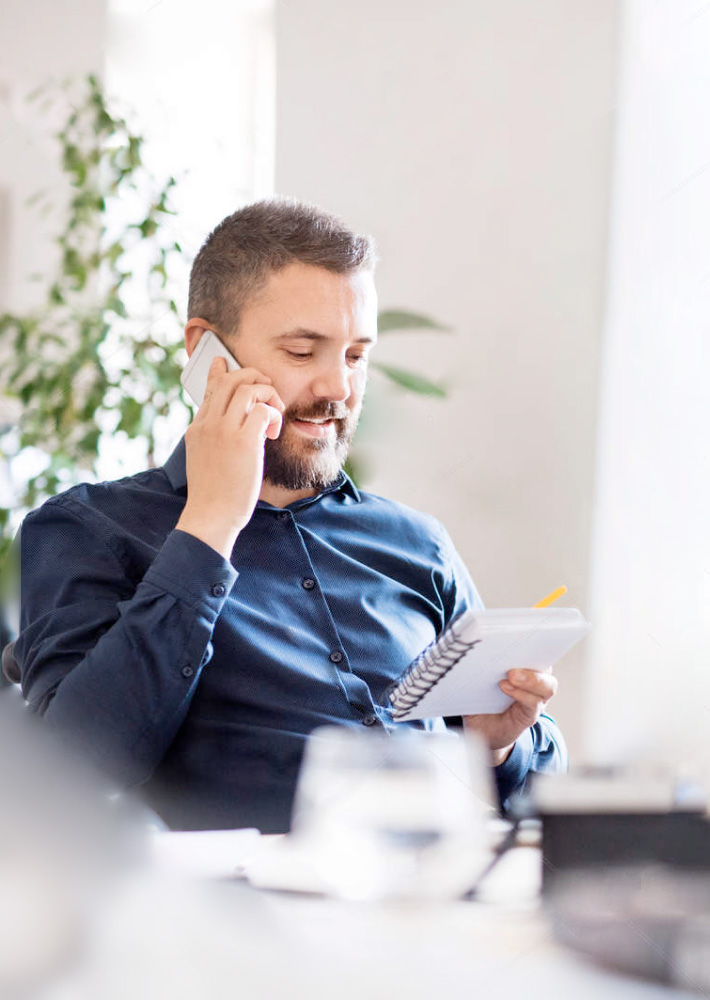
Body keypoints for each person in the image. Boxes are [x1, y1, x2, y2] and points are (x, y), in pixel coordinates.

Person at [15, 198, 566, 833]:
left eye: (356, 356)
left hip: (438, 901)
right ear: (206, 353)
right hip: (239, 919)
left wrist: (494, 746)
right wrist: (211, 523)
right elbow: (71, 773)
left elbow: (543, 808)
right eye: (304, 352)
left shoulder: (418, 544)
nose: (338, 389)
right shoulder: (88, 530)